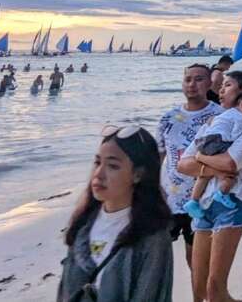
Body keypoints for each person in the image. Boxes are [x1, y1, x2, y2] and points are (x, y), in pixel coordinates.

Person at [57, 125, 172, 302]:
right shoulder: (83, 223)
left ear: (138, 174)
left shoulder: (152, 236)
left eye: (112, 166)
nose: (98, 174)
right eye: (97, 162)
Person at [177, 70, 242, 302]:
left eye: (227, 85)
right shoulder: (214, 122)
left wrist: (202, 160)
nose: (220, 90)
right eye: (220, 86)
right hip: (204, 204)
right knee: (198, 288)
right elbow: (183, 164)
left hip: (233, 202)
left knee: (215, 289)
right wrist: (215, 167)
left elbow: (232, 162)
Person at [156, 63, 222, 268]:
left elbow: (227, 161)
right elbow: (158, 157)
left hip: (203, 201)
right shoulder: (168, 118)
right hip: (170, 199)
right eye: (188, 79)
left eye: (199, 79)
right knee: (157, 261)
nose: (192, 84)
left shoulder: (220, 117)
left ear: (210, 83)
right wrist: (154, 189)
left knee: (197, 262)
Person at [183, 91, 242, 220]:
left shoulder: (223, 115)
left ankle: (193, 201)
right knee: (230, 173)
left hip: (205, 141)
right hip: (218, 141)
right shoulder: (241, 117)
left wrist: (200, 155)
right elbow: (235, 134)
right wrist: (234, 143)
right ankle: (222, 193)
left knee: (203, 176)